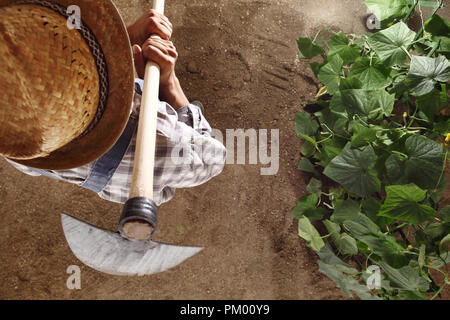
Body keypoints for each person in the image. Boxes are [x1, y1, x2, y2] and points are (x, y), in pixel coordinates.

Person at [7, 10, 226, 206]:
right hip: (143, 165)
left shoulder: (12, 135)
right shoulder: (159, 135)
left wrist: (125, 38)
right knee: (194, 129)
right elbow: (212, 160)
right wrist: (168, 82)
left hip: (62, 156)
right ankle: (176, 103)